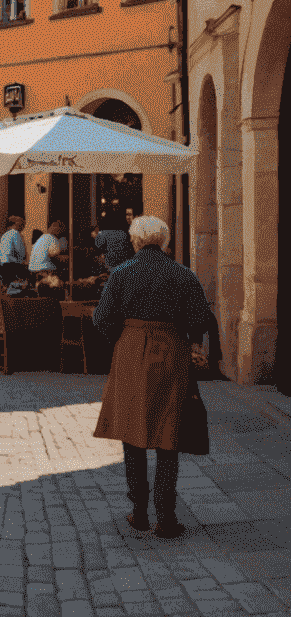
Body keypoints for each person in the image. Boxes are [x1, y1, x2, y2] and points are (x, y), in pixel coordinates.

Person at [93, 215, 215, 538]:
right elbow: (202, 318)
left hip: (131, 351)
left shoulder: (120, 274)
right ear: (164, 242)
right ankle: (166, 516)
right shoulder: (183, 274)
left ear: (135, 241)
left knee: (132, 434)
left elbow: (102, 318)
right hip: (171, 351)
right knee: (168, 433)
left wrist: (121, 340)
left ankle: (139, 511)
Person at [0, 216, 29, 284]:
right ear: (16, 224)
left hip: (3, 264)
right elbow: (20, 251)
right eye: (22, 224)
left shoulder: (4, 235)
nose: (23, 227)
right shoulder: (15, 233)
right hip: (13, 264)